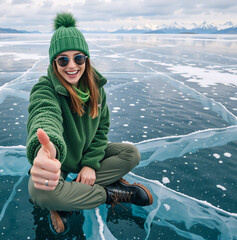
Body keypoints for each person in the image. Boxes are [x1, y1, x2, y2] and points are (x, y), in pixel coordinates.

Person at [26, 12, 153, 235]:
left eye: (79, 58)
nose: (72, 65)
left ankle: (67, 200)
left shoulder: (96, 88)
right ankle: (112, 192)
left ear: (87, 59)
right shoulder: (45, 88)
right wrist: (45, 149)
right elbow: (44, 116)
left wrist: (91, 164)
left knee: (130, 154)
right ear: (54, 63)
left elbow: (101, 130)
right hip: (60, 164)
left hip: (85, 155)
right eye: (63, 59)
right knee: (40, 194)